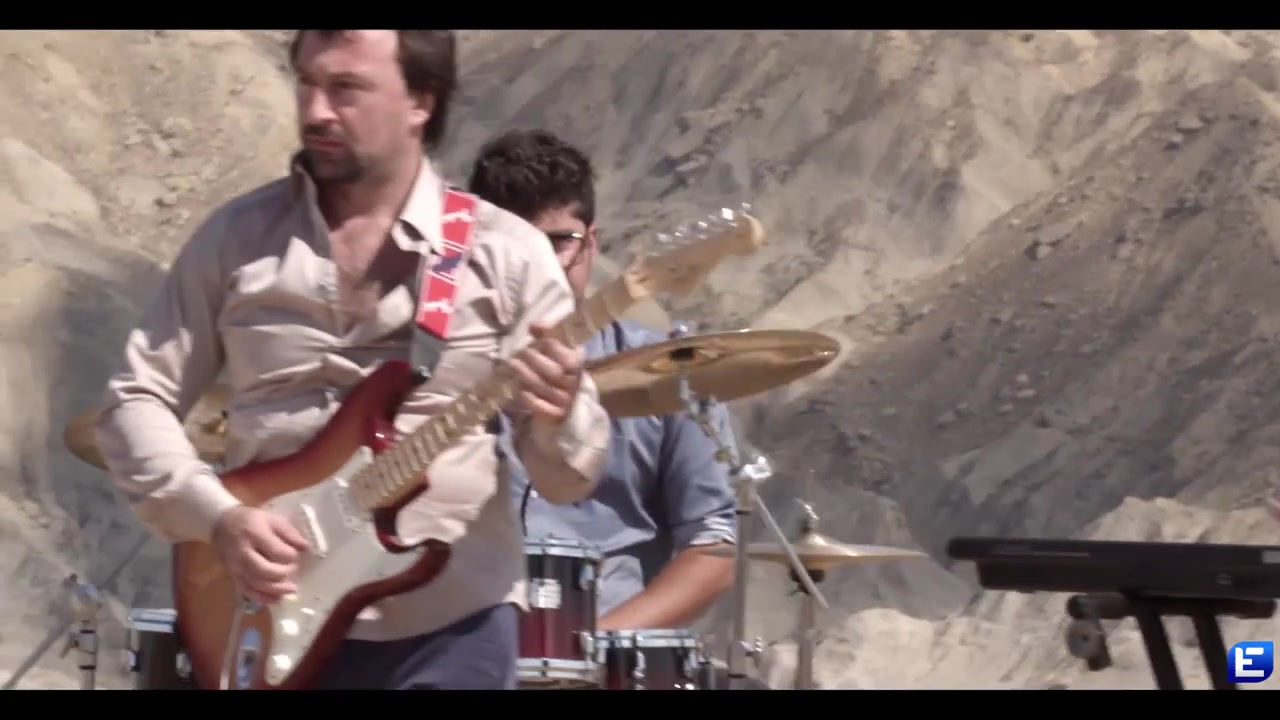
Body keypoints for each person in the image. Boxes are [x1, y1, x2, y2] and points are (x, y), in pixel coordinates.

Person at [92, 31, 610, 691]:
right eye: (308, 84)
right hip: (265, 618)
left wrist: (559, 415)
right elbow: (135, 401)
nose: (315, 112)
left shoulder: (505, 254)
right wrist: (217, 519)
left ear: (421, 100)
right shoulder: (234, 241)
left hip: (448, 629)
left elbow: (568, 479)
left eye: (346, 89)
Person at [466, 129, 737, 633]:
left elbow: (712, 551)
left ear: (591, 244)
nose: (537, 266)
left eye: (557, 243)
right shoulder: (436, 371)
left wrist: (591, 647)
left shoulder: (672, 373)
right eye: (514, 247)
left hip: (609, 653)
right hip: (459, 649)